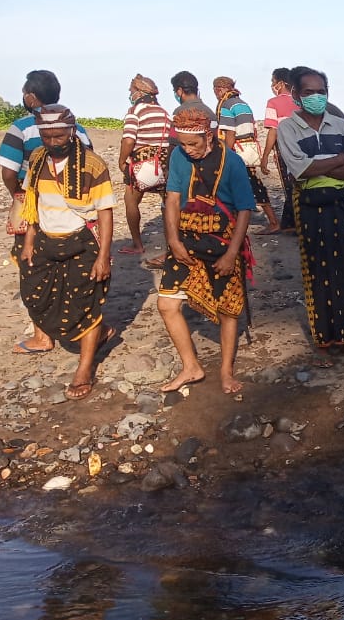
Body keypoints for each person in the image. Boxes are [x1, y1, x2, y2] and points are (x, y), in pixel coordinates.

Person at [156, 103, 255, 394]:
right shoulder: (177, 156)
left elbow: (245, 210)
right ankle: (191, 367)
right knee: (167, 304)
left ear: (209, 136)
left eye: (193, 144)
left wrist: (231, 254)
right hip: (186, 238)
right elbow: (172, 199)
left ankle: (226, 372)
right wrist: (173, 241)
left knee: (228, 310)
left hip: (222, 241)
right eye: (182, 143)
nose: (188, 150)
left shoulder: (232, 162)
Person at [17, 105, 115, 400]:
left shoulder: (92, 165)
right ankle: (99, 333)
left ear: (72, 132)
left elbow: (106, 213)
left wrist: (103, 256)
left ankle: (84, 369)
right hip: (45, 240)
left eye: (59, 136)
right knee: (35, 294)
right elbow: (31, 204)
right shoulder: (36, 159)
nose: (53, 142)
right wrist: (29, 242)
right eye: (47, 137)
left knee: (86, 304)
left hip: (82, 243)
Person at [0, 69, 94, 356]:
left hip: (37, 207)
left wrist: (19, 195)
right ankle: (87, 327)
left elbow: (7, 171)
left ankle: (42, 336)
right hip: (74, 209)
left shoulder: (22, 127)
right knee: (73, 270)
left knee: (32, 269)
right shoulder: (79, 128)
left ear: (30, 96)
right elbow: (90, 166)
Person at [276, 66, 344, 364]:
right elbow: (300, 170)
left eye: (320, 92)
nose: (315, 97)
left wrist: (319, 165)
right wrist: (337, 160)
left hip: (342, 206)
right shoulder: (287, 129)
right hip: (309, 208)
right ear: (295, 94)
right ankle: (323, 343)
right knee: (317, 274)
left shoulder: (341, 126)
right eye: (308, 92)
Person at [214, 76, 280, 235]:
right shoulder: (242, 104)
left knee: (240, 185)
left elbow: (230, 133)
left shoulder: (226, 105)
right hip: (248, 148)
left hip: (237, 150)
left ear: (219, 89)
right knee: (253, 183)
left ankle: (271, 222)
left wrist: (225, 155)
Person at [117, 74, 172, 262]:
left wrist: (122, 160)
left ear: (139, 92)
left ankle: (137, 244)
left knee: (130, 200)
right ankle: (171, 246)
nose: (130, 94)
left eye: (131, 90)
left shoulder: (135, 111)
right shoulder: (163, 112)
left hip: (141, 163)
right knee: (167, 205)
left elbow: (129, 139)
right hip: (164, 163)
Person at [260, 67, 299, 233]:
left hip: (285, 151)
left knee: (290, 186)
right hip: (305, 149)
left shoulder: (273, 103)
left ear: (281, 83)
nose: (272, 85)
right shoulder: (300, 100)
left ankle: (291, 223)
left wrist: (265, 156)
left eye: (273, 82)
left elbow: (273, 131)